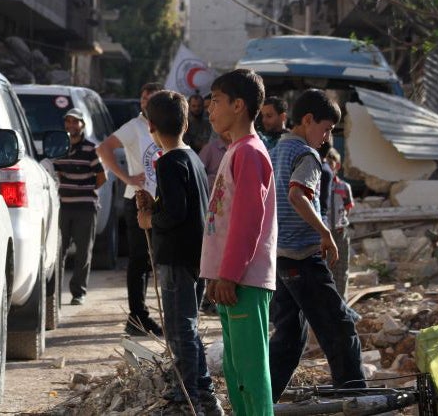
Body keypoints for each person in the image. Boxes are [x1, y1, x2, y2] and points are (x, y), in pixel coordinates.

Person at [268, 89, 365, 402]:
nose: (326, 138)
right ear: (307, 120)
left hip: (280, 257)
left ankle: (260, 398)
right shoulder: (307, 155)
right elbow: (298, 194)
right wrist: (325, 233)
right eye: (325, 129)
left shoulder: (276, 149)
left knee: (287, 340)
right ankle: (356, 399)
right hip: (304, 257)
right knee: (340, 330)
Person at [135, 90, 224, 416]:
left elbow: (174, 213)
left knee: (179, 328)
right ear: (186, 122)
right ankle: (203, 393)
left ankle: (186, 395)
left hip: (177, 258)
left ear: (151, 126)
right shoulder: (193, 159)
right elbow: (181, 207)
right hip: (195, 256)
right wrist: (153, 203)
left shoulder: (170, 162)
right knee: (187, 326)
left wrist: (148, 218)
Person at [200, 69, 277, 415]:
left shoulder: (249, 152)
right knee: (235, 373)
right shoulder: (236, 150)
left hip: (244, 280)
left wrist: (229, 274)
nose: (210, 110)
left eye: (216, 101)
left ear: (239, 105)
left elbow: (248, 222)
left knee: (250, 371)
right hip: (232, 280)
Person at [97, 82, 164, 336]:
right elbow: (104, 149)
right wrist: (126, 177)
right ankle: (137, 316)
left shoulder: (161, 125)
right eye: (144, 98)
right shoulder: (135, 126)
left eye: (151, 98)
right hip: (137, 198)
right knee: (139, 260)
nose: (146, 102)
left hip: (158, 199)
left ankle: (142, 314)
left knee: (149, 261)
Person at [54, 108, 106, 305]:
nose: (71, 126)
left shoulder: (91, 149)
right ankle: (55, 294)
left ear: (82, 125)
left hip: (86, 208)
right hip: (64, 207)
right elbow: (57, 172)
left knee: (84, 251)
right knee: (59, 250)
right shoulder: (60, 147)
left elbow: (102, 177)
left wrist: (83, 189)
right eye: (68, 121)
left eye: (75, 122)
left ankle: (78, 292)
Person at [325, 147, 355, 300]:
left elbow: (348, 207)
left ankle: (341, 302)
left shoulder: (344, 187)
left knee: (341, 269)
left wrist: (341, 224)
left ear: (338, 166)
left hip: (339, 233)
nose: (329, 166)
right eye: (326, 163)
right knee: (324, 269)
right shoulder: (319, 185)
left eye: (332, 163)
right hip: (323, 234)